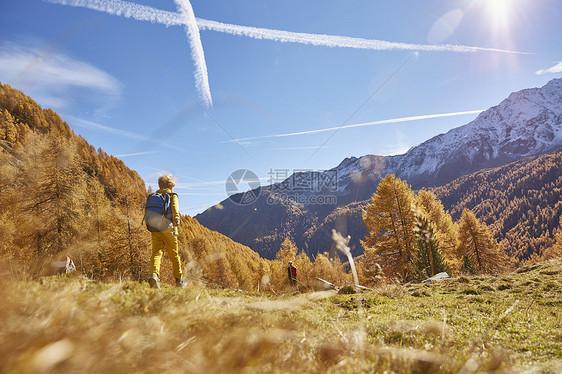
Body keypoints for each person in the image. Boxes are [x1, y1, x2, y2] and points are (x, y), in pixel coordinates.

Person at [148, 174, 187, 289]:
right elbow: (175, 207)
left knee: (156, 253)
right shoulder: (172, 195)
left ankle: (154, 275)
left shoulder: (154, 196)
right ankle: (179, 281)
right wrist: (176, 219)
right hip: (168, 228)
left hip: (154, 228)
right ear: (170, 185)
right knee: (174, 255)